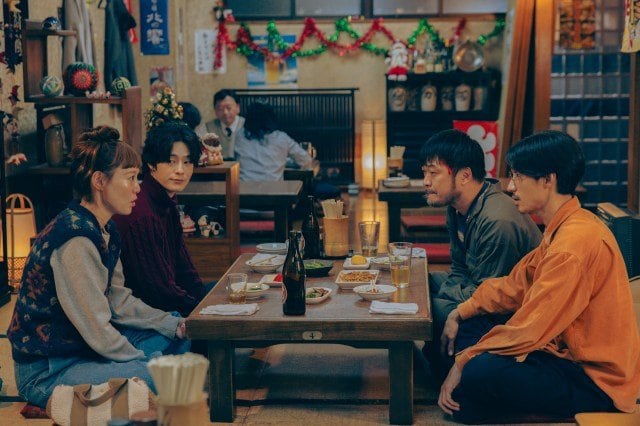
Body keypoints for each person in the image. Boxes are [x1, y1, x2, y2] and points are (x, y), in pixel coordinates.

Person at [438, 131, 640, 423]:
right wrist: (462, 310)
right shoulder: (564, 225)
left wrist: (463, 361)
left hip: (594, 379)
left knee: (476, 372)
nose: (510, 186)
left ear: (547, 180)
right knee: (465, 333)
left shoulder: (573, 244)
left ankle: (528, 411)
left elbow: (530, 327)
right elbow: (514, 286)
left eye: (518, 176)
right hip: (558, 352)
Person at [7, 126, 189, 408]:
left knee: (177, 332)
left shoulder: (106, 229)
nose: (138, 187)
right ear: (99, 181)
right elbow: (96, 328)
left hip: (85, 350)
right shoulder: (75, 240)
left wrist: (172, 324)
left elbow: (118, 300)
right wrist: (145, 361)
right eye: (130, 178)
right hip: (49, 370)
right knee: (161, 376)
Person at [420, 129, 541, 379]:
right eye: (425, 173)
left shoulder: (497, 220)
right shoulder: (457, 208)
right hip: (475, 285)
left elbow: (491, 296)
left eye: (433, 173)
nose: (426, 182)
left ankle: (443, 362)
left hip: (509, 310)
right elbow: (459, 268)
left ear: (465, 176)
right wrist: (446, 290)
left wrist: (443, 298)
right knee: (420, 283)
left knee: (426, 308)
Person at [114, 121, 206, 317]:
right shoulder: (141, 212)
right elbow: (159, 293)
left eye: (187, 162)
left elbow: (185, 270)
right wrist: (203, 314)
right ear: (151, 164)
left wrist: (206, 302)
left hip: (171, 302)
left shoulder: (167, 202)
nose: (180, 170)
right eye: (171, 161)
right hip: (146, 315)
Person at [235, 102, 312, 181]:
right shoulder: (281, 138)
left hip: (245, 188)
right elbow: (306, 160)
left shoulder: (239, 136)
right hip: (273, 188)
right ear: (272, 119)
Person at [198, 89, 244, 159]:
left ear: (238, 108)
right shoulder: (208, 128)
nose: (225, 112)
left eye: (229, 108)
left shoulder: (246, 126)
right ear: (215, 110)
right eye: (220, 109)